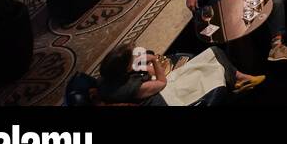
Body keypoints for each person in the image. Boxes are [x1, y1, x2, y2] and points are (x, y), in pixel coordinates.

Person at [97, 44, 263, 105]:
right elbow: (162, 82)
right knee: (208, 72)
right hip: (167, 98)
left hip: (160, 88)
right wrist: (153, 59)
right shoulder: (132, 87)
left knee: (213, 51)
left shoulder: (108, 77)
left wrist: (144, 68)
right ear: (125, 68)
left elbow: (152, 75)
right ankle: (238, 80)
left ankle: (239, 78)